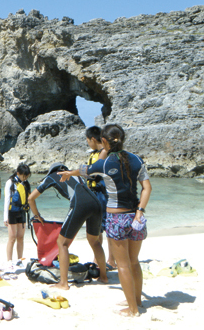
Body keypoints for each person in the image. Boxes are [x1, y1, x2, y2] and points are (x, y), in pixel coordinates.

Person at [59, 124, 152, 317]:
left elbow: (85, 170)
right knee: (134, 263)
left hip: (117, 218)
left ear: (104, 142)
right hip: (136, 217)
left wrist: (69, 173)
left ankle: (132, 310)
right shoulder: (137, 160)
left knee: (123, 265)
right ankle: (136, 301)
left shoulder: (104, 163)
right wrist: (140, 211)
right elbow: (147, 188)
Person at [28, 162, 108, 291]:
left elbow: (31, 198)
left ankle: (63, 283)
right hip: (96, 202)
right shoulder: (75, 174)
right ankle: (104, 277)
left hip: (80, 203)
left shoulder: (53, 176)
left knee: (62, 242)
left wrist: (37, 215)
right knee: (94, 241)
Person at [85, 126, 115, 268]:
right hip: (95, 193)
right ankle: (100, 258)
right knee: (99, 227)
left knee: (105, 226)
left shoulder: (105, 152)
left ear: (92, 139)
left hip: (102, 194)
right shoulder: (97, 152)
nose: (87, 143)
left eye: (87, 140)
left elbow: (95, 172)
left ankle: (110, 259)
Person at [3, 163, 31, 270]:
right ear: (18, 173)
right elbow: (6, 200)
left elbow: (29, 198)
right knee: (12, 237)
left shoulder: (26, 184)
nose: (25, 178)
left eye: (27, 176)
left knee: (20, 237)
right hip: (12, 212)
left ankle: (20, 259)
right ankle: (9, 261)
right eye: (24, 176)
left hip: (22, 211)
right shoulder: (10, 182)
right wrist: (5, 217)